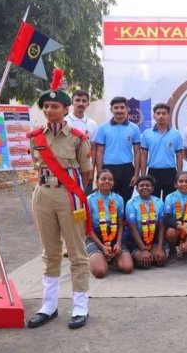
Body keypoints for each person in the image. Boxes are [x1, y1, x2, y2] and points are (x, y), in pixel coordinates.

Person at [27, 68, 92, 330]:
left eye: (54, 106)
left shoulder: (77, 138)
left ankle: (80, 307)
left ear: (66, 109)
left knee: (77, 253)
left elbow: (86, 173)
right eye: (45, 106)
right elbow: (36, 167)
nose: (48, 110)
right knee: (50, 252)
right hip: (42, 196)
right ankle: (49, 306)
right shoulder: (35, 137)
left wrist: (74, 194)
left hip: (69, 197)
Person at [94, 96, 141, 203]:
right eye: (116, 108)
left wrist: (136, 174)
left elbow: (137, 152)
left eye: (122, 107)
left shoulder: (134, 128)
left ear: (127, 109)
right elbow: (99, 152)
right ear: (111, 110)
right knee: (109, 200)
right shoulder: (102, 128)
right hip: (109, 169)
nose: (119, 110)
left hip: (127, 169)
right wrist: (100, 172)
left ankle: (123, 220)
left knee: (126, 200)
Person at [87, 169, 132, 278]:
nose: (107, 181)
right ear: (97, 182)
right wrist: (102, 247)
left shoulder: (119, 199)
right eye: (103, 179)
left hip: (113, 236)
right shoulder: (89, 199)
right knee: (100, 271)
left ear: (113, 183)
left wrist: (118, 243)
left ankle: (110, 258)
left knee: (127, 268)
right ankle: (96, 257)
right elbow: (87, 229)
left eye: (110, 179)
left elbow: (120, 224)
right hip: (95, 236)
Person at [140, 103, 184, 199]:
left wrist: (179, 174)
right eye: (158, 113)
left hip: (170, 172)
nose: (161, 116)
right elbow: (144, 155)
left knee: (169, 200)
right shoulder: (147, 133)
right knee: (153, 200)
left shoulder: (176, 134)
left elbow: (179, 155)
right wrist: (143, 175)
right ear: (154, 116)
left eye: (164, 113)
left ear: (168, 116)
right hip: (153, 171)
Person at [125, 175, 167, 270]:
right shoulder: (131, 203)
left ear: (152, 188)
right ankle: (133, 255)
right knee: (145, 263)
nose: (145, 187)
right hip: (135, 241)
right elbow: (132, 228)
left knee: (160, 260)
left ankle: (153, 251)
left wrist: (160, 247)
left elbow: (161, 227)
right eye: (141, 185)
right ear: (136, 188)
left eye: (148, 185)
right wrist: (143, 250)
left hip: (152, 241)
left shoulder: (159, 202)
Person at [64, 89, 97, 195]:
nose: (80, 103)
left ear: (88, 103)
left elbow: (93, 147)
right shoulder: (64, 121)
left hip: (86, 167)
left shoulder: (92, 124)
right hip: (68, 166)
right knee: (69, 198)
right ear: (72, 102)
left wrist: (92, 169)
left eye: (84, 101)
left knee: (85, 197)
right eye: (77, 100)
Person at [163, 172, 187, 260]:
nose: (184, 184)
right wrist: (184, 229)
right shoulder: (170, 197)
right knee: (170, 233)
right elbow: (167, 219)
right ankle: (172, 249)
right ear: (176, 184)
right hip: (174, 229)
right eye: (181, 181)